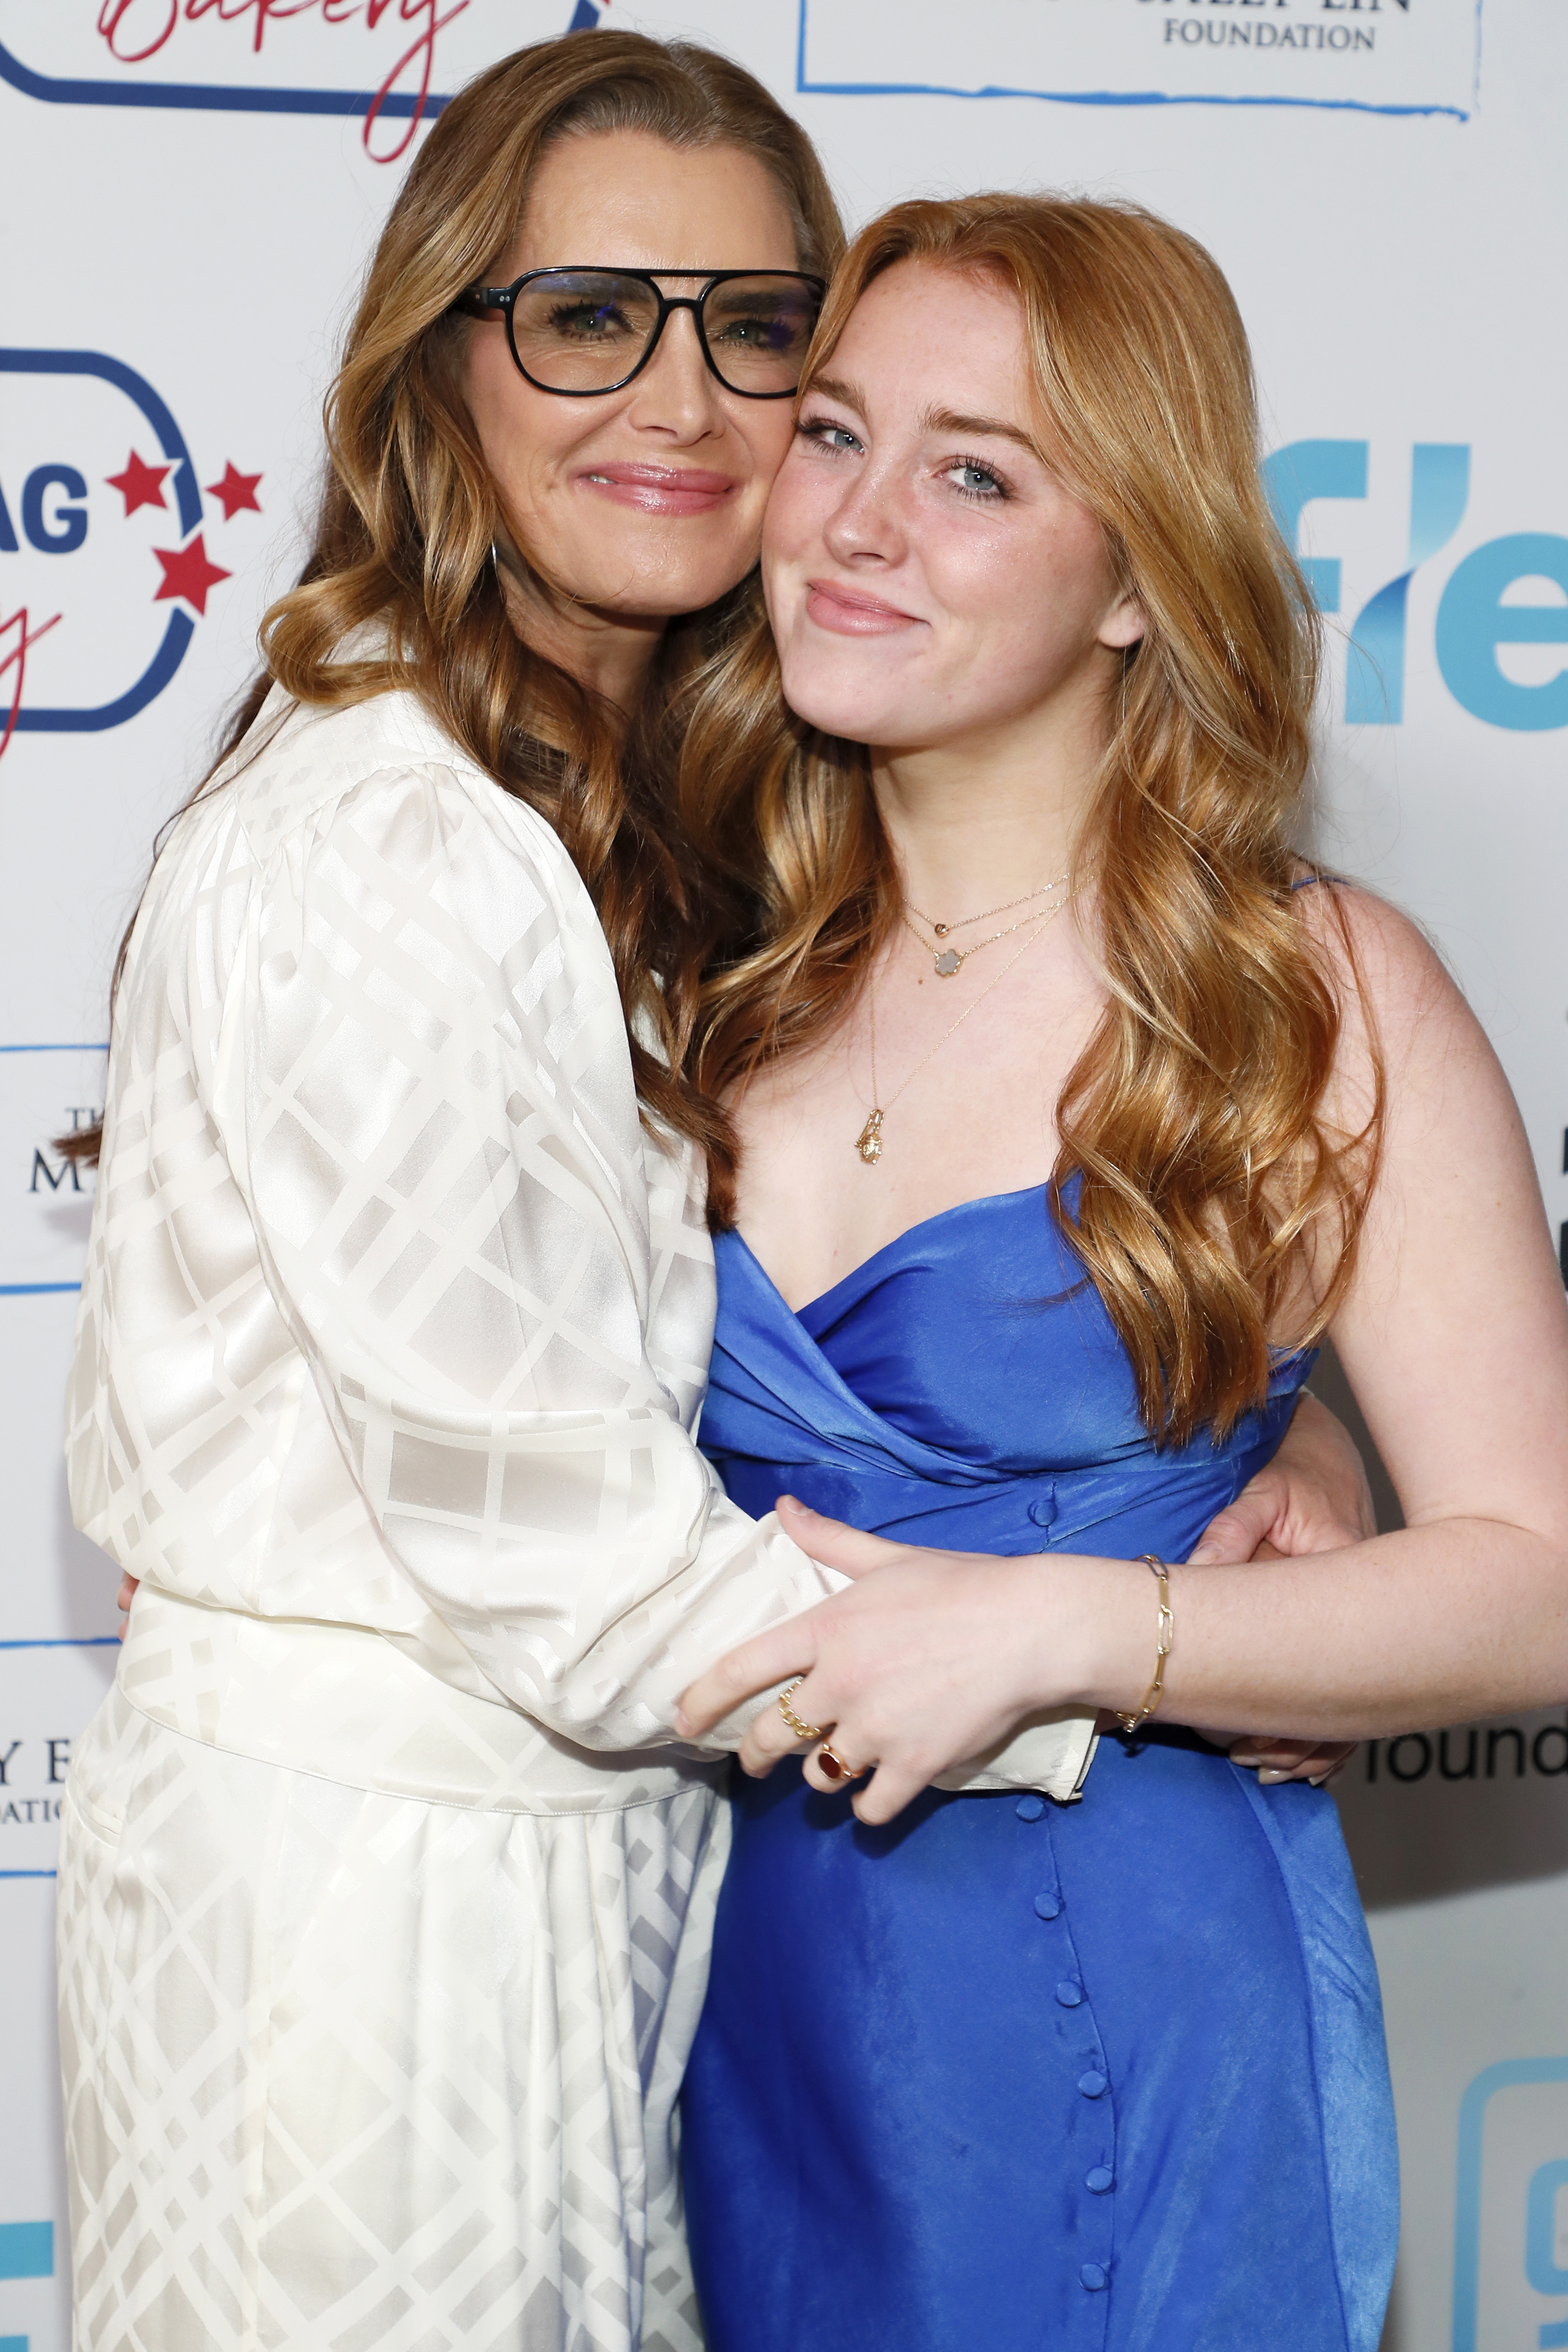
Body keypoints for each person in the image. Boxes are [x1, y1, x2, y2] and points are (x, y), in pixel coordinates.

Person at [57, 34, 1371, 2352]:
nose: (679, 398)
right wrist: (1104, 1662)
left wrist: (1275, 1442)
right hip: (368, 1951)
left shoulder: (671, 820)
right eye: (586, 315)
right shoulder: (383, 839)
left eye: (757, 329)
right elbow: (544, 1518)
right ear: (437, 362)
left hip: (636, 1922)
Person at [674, 194, 1568, 2352]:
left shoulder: (1304, 995)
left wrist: (1083, 1623)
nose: (860, 525)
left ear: (1142, 582)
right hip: (741, 2015)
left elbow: (1543, 1579)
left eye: (976, 474)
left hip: (1128, 2021)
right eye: (834, 437)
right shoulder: (697, 971)